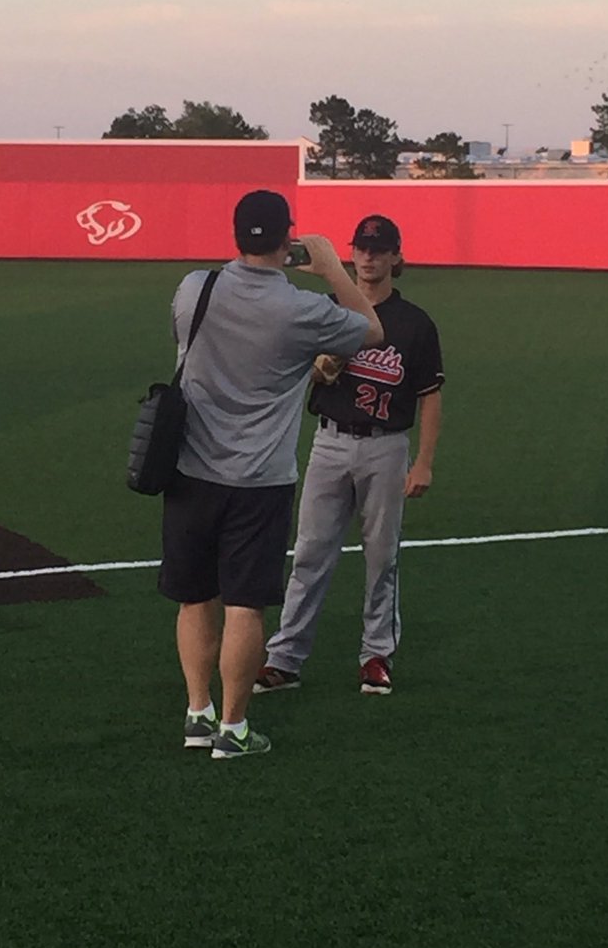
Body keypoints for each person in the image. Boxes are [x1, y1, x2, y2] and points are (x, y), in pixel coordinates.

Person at [159, 190, 384, 759]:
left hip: (189, 470)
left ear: (236, 234)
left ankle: (197, 713)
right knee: (245, 606)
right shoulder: (300, 310)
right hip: (259, 480)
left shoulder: (194, 288)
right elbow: (371, 330)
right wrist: (331, 268)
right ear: (289, 237)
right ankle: (233, 729)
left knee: (194, 599)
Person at [255, 214, 444, 697]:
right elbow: (291, 371)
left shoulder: (416, 323)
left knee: (382, 556)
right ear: (351, 252)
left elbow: (430, 394)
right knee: (310, 552)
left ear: (396, 257)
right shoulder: (328, 309)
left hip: (386, 446)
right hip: (330, 441)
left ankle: (376, 655)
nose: (369, 256)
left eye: (379, 249)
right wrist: (316, 369)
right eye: (362, 248)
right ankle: (284, 658)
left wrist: (424, 461)